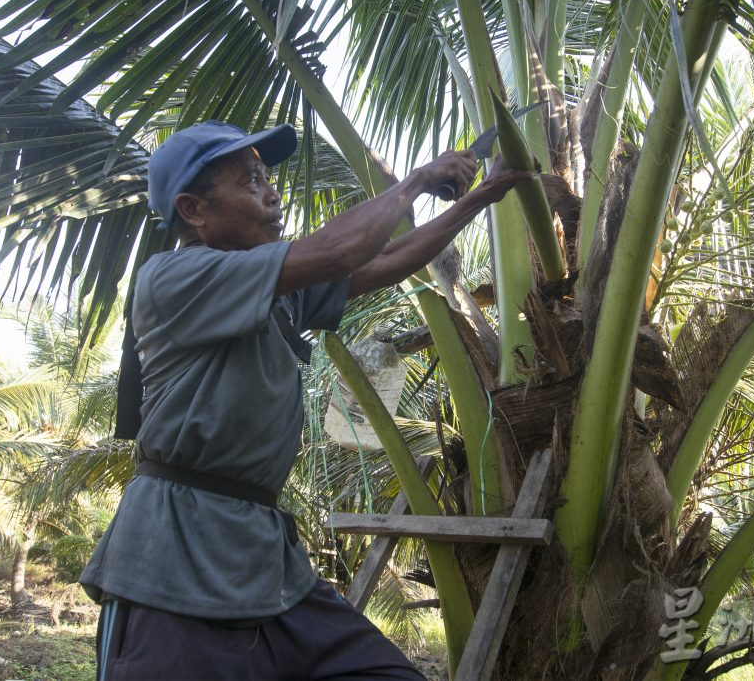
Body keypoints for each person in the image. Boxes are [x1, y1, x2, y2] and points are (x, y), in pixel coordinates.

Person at [80, 120, 531, 680]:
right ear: (193, 210)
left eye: (266, 177)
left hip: (264, 552)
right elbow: (341, 249)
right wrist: (417, 181)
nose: (271, 194)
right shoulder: (174, 277)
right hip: (173, 554)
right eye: (249, 182)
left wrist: (479, 198)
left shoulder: (276, 289)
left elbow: (382, 261)